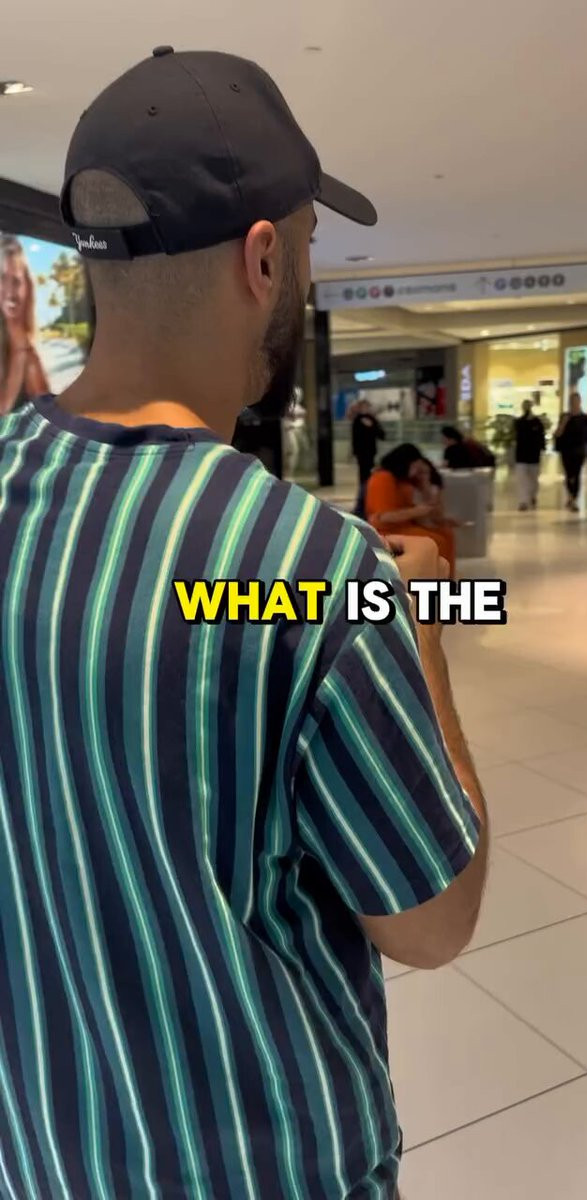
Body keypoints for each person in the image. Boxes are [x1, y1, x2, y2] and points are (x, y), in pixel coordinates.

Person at [0, 48, 488, 1200]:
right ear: (264, 258)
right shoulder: (309, 570)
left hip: (48, 1156)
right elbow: (433, 923)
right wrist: (417, 629)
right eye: (309, 245)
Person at [365, 443, 459, 576]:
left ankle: (447, 577)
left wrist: (425, 483)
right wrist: (418, 511)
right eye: (415, 466)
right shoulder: (382, 477)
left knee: (446, 533)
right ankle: (434, 579)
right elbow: (384, 517)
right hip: (387, 529)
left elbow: (431, 506)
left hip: (404, 525)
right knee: (436, 541)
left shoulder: (403, 480)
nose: (415, 471)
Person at [0, 234, 50, 415]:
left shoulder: (30, 356)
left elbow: (48, 417)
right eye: (2, 278)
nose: (10, 292)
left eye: (16, 281)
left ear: (27, 287)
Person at [554, 392, 587, 512]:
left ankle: (574, 499)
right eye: (572, 401)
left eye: (576, 401)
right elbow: (558, 434)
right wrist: (564, 423)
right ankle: (570, 496)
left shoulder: (585, 418)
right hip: (567, 450)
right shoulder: (564, 416)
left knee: (577, 474)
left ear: (580, 402)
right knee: (569, 475)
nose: (575, 404)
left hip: (579, 450)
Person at [351, 398, 385, 516]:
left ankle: (367, 504)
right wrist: (354, 452)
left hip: (371, 452)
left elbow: (382, 435)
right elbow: (355, 438)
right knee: (363, 478)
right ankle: (361, 506)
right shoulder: (357, 420)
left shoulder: (372, 419)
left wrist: (371, 426)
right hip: (362, 453)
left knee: (368, 477)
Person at [513, 399, 546, 511]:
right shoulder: (519, 422)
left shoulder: (537, 422)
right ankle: (523, 501)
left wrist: (542, 448)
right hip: (521, 456)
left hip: (534, 456)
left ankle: (532, 496)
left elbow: (541, 437)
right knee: (522, 480)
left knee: (533, 479)